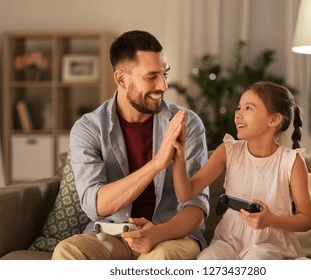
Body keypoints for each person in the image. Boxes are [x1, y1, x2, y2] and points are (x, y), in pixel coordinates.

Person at [51, 30, 209, 260]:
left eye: (165, 74)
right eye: (151, 76)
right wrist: (156, 164)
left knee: (159, 259)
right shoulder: (89, 129)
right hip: (113, 235)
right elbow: (96, 204)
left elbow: (196, 206)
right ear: (121, 79)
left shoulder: (187, 123)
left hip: (170, 237)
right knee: (68, 251)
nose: (163, 85)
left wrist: (157, 234)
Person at [172, 81, 311, 259]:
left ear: (273, 119)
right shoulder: (228, 151)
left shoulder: (291, 161)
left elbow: (306, 219)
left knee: (256, 260)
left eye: (248, 108)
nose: (238, 114)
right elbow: (186, 193)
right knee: (206, 261)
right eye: (239, 107)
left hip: (270, 244)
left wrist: (270, 220)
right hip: (229, 240)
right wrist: (178, 156)